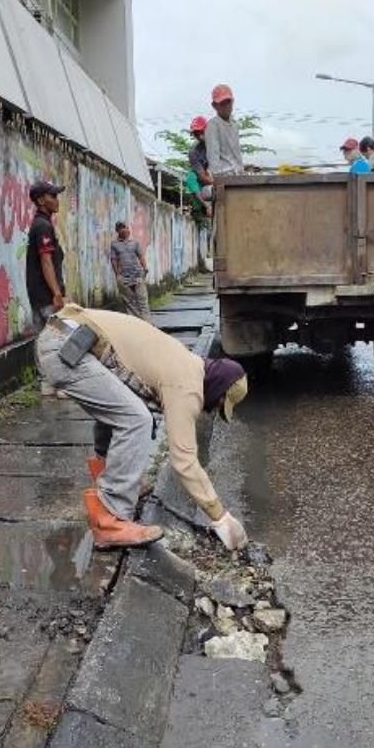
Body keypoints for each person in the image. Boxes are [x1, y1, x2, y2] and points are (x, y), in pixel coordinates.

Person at [35, 305, 250, 550]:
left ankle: (109, 477)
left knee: (127, 408)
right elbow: (184, 462)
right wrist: (220, 517)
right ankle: (110, 520)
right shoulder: (187, 384)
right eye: (219, 404)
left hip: (64, 333)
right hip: (68, 345)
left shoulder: (185, 361)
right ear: (218, 388)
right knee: (136, 419)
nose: (211, 409)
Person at [26, 180, 69, 397]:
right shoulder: (43, 226)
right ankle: (59, 384)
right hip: (46, 294)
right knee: (59, 337)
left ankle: (47, 383)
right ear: (41, 200)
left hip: (37, 293)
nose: (57, 200)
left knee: (44, 337)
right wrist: (56, 293)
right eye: (53, 196)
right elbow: (46, 261)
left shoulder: (40, 223)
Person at [110, 221, 151, 322]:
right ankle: (136, 323)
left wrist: (145, 268)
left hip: (137, 275)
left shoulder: (134, 243)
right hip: (124, 277)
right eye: (123, 228)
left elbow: (141, 256)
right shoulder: (114, 245)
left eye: (127, 228)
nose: (127, 230)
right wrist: (117, 275)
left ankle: (147, 324)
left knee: (143, 301)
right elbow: (113, 260)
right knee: (129, 303)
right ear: (118, 231)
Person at [205, 84, 244, 177]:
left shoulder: (234, 125)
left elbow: (236, 157)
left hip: (238, 177)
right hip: (223, 181)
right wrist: (235, 170)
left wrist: (242, 168)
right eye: (222, 103)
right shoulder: (212, 126)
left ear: (232, 102)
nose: (226, 106)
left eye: (228, 102)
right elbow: (214, 165)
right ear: (214, 105)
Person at [185, 115, 214, 216]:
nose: (200, 135)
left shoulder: (216, 143)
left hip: (214, 173)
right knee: (190, 178)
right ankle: (207, 206)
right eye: (196, 133)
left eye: (201, 131)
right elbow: (202, 177)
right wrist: (217, 182)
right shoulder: (194, 151)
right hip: (203, 178)